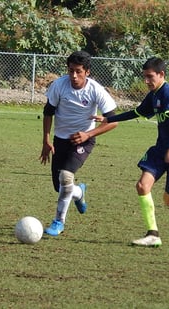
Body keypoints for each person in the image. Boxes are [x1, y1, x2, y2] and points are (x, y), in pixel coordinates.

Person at [92, 57, 169, 247]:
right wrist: (109, 119)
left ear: (161, 74)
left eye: (150, 77)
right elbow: (137, 113)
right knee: (142, 186)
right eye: (144, 77)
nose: (146, 81)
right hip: (162, 146)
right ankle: (153, 234)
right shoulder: (153, 95)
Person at [40, 50, 118, 236]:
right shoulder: (59, 85)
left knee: (66, 177)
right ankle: (79, 193)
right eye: (71, 71)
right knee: (60, 188)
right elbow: (48, 113)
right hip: (60, 140)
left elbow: (114, 121)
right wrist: (46, 140)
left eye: (78, 71)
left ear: (87, 72)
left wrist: (88, 134)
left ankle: (59, 222)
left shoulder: (96, 90)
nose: (74, 76)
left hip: (84, 140)